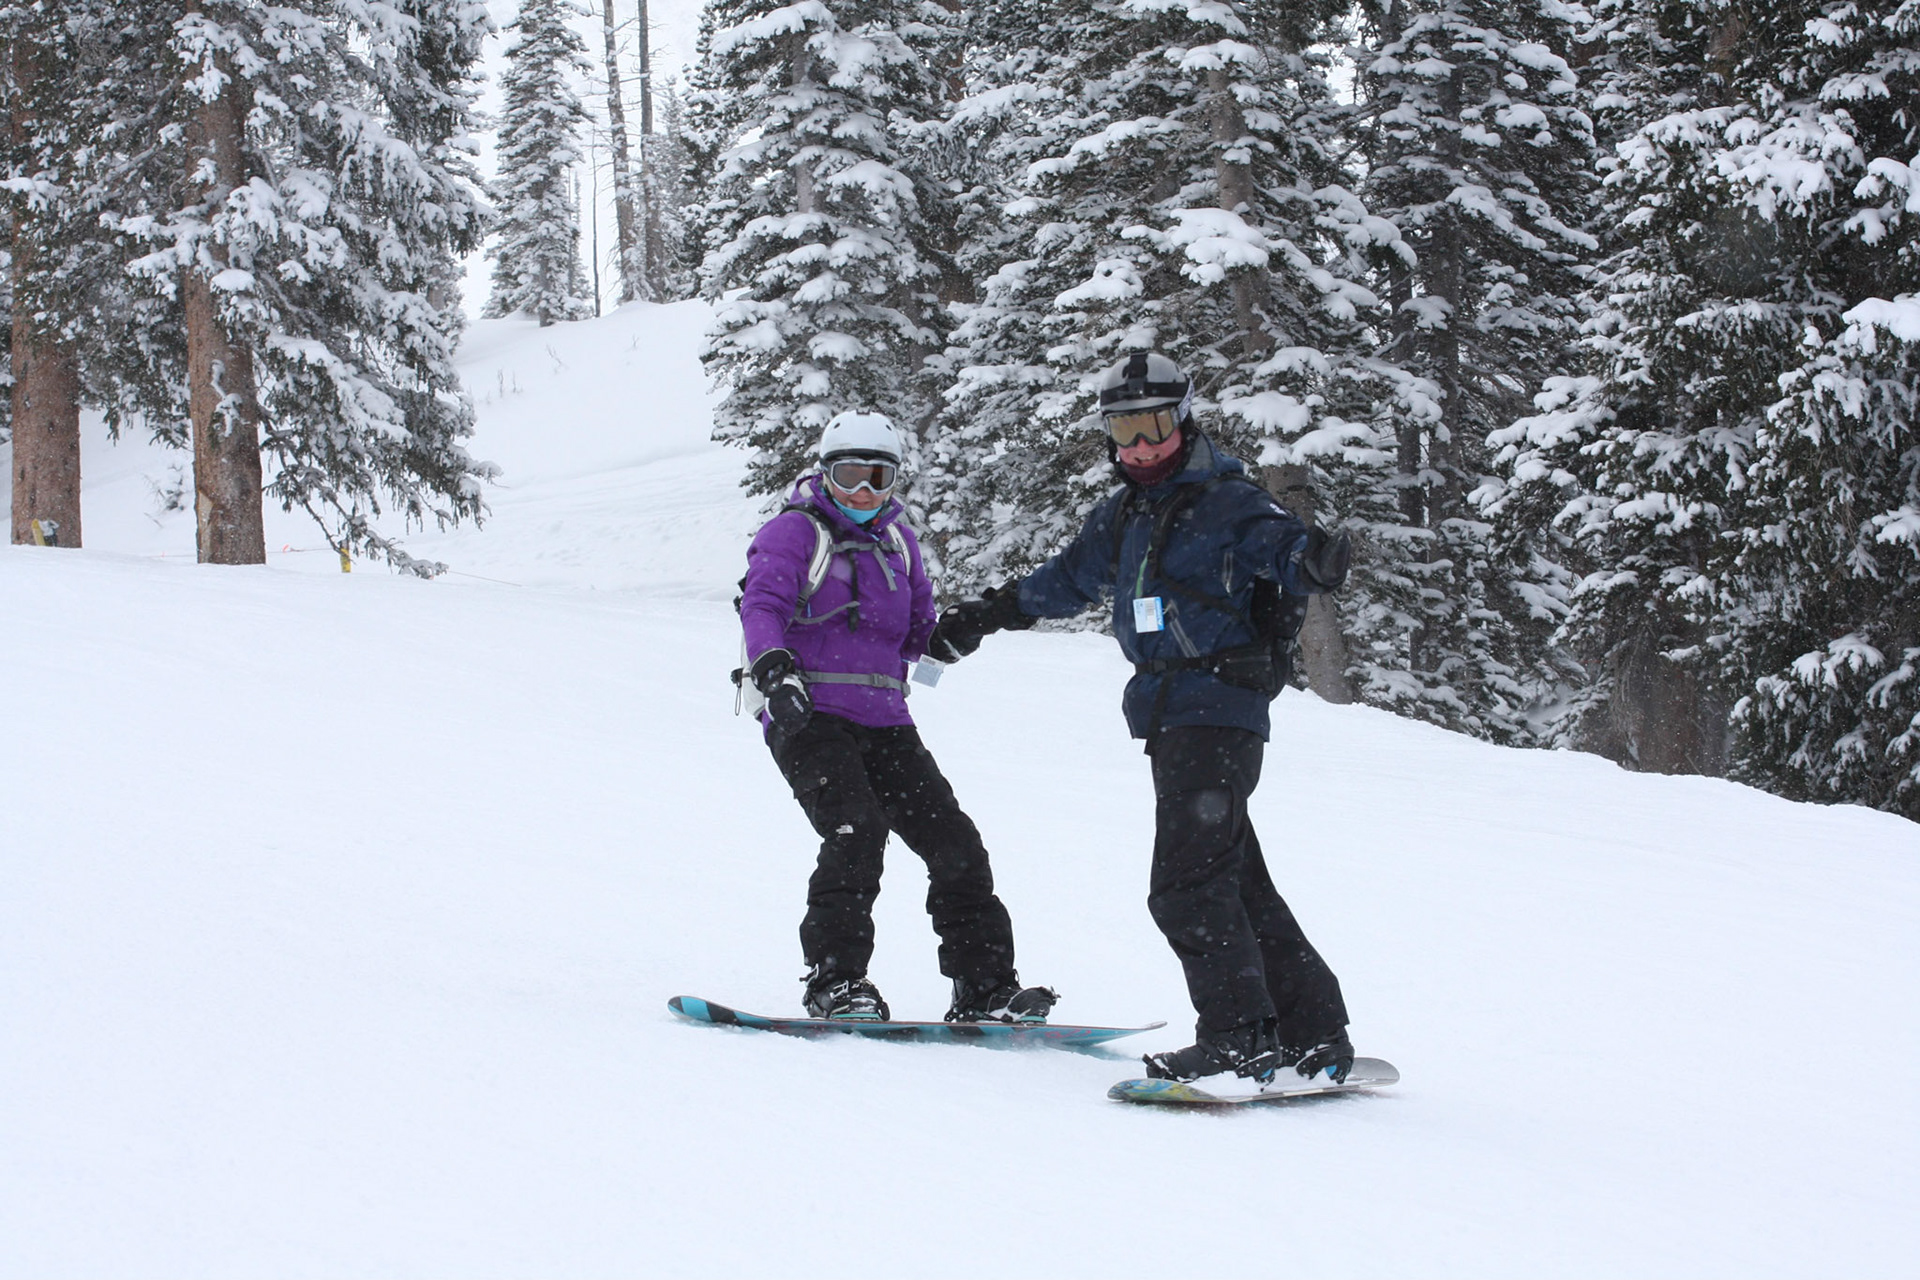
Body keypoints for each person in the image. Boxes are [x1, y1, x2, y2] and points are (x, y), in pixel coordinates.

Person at [927, 352, 1356, 1084]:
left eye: (1154, 425)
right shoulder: (1126, 514)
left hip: (1217, 707)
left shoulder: (1228, 501)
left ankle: (1238, 1039)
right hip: (1173, 715)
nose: (1141, 445)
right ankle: (1313, 1033)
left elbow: (1283, 549)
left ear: (1184, 421)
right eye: (1124, 429)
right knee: (1233, 881)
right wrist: (986, 615)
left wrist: (1313, 560)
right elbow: (1067, 579)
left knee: (1187, 885)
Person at [739, 411, 1057, 1024]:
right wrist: (774, 672)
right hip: (808, 713)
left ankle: (984, 988)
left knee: (955, 844)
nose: (863, 490)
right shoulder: (795, 532)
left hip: (886, 720)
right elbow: (763, 605)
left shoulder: (899, 545)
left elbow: (919, 638)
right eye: (849, 475)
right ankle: (836, 981)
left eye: (878, 477)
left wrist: (964, 630)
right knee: (856, 830)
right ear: (825, 474)